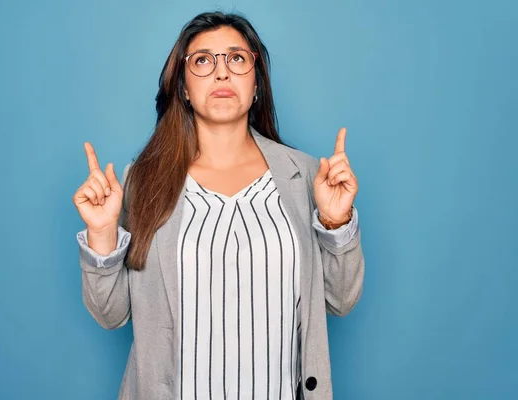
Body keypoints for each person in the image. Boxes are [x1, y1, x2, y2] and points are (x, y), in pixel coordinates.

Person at [73, 11, 364, 400]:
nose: (222, 73)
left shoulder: (308, 176)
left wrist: (335, 220)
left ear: (256, 82)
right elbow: (111, 316)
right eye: (203, 60)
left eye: (237, 58)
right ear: (184, 88)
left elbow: (340, 302)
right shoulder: (142, 182)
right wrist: (102, 233)